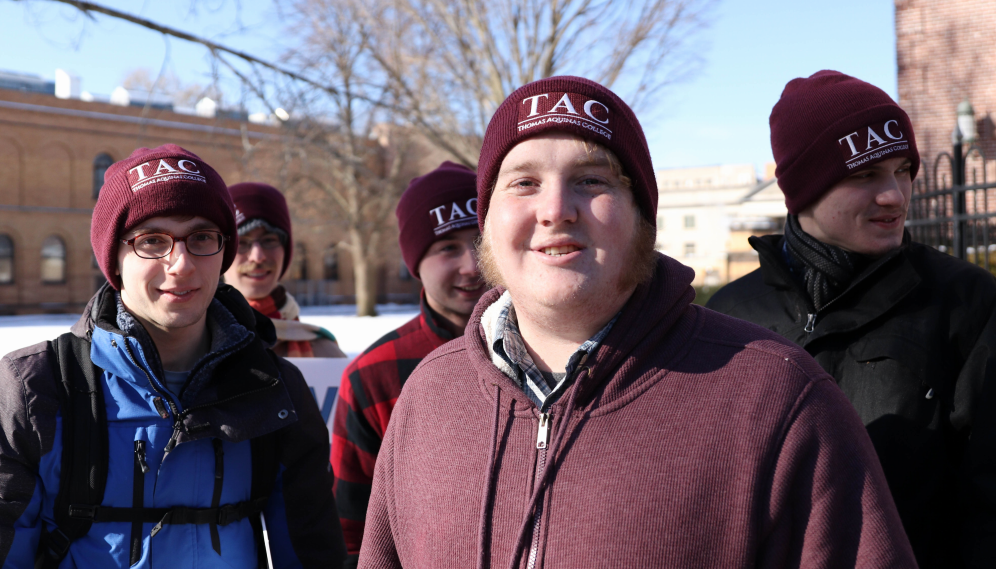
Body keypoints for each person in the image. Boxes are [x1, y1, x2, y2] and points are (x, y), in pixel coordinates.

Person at [358, 76, 915, 568]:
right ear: (489, 222)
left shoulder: (778, 398)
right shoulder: (429, 396)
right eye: (523, 183)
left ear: (643, 219)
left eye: (592, 180)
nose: (556, 209)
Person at [0, 145, 346, 568]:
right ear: (114, 258)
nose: (180, 264)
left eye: (201, 237)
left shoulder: (276, 387)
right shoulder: (35, 387)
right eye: (152, 241)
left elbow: (313, 553)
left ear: (223, 252)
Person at [707, 70, 996, 568]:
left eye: (904, 169)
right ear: (803, 187)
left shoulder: (966, 303)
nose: (896, 196)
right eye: (865, 174)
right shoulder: (726, 317)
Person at [331, 161, 485, 566]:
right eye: (447, 248)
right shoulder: (374, 373)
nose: (471, 265)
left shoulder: (554, 348)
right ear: (416, 263)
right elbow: (351, 528)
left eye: (481, 242)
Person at [225, 182, 346, 358]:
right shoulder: (185, 348)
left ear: (286, 250)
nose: (257, 257)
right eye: (241, 243)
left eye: (269, 240)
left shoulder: (325, 355)